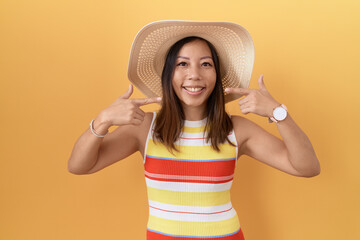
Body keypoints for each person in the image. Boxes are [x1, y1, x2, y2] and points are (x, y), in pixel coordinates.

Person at [68, 20, 320, 240]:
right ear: (169, 74)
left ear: (217, 76)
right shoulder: (144, 127)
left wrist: (278, 113)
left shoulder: (237, 129)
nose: (194, 75)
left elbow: (307, 167)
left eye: (206, 64)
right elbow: (80, 166)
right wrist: (102, 121)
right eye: (183, 64)